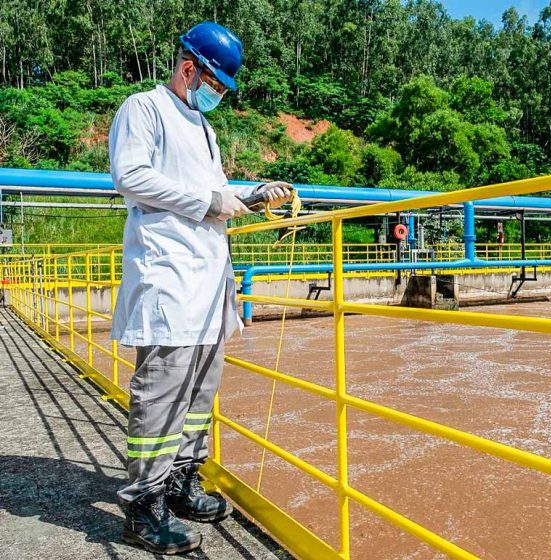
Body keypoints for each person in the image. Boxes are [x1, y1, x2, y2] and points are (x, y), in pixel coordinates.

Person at [108, 21, 292, 554]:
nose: (217, 96)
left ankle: (184, 478)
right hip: (169, 277)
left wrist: (251, 195)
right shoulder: (144, 109)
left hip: (210, 285)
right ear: (191, 69)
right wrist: (209, 203)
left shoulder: (202, 128)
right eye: (215, 84)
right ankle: (143, 504)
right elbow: (131, 176)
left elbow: (214, 190)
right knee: (161, 396)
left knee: (198, 397)